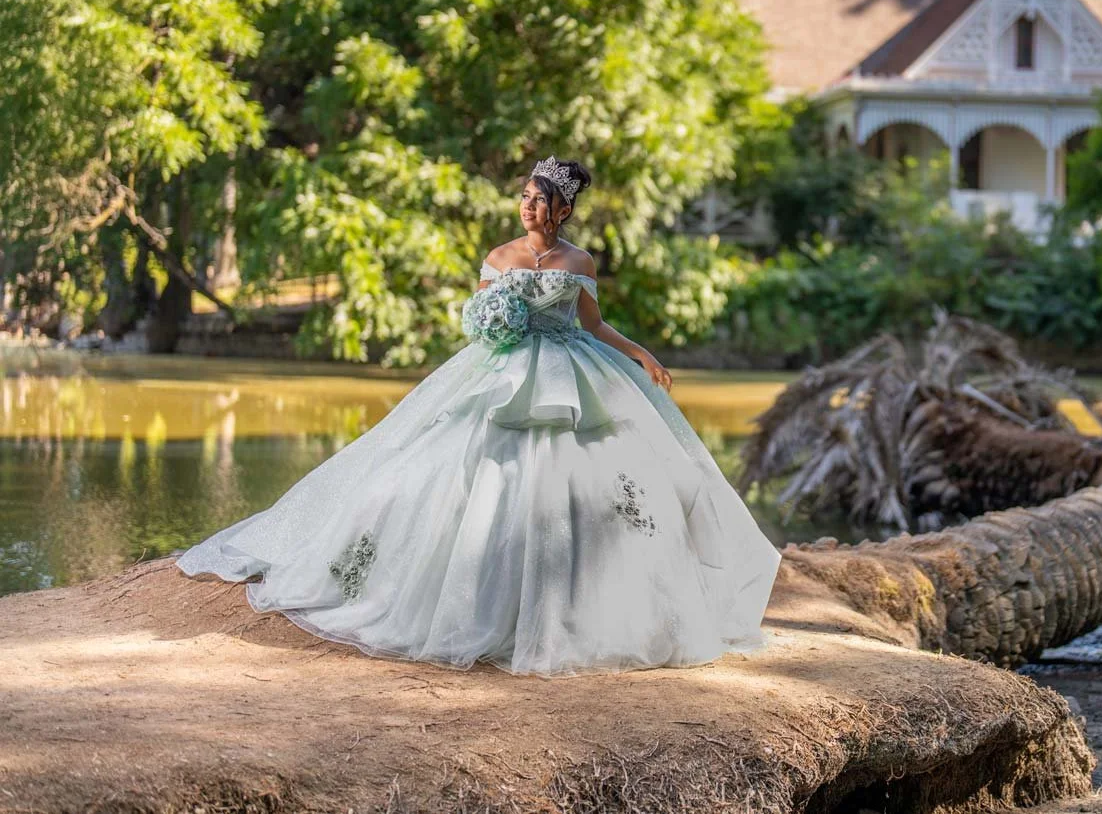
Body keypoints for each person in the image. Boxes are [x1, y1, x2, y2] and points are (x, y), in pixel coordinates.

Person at [176, 156, 781, 677]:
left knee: (609, 483)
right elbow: (480, 321)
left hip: (573, 375)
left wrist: (642, 355)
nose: (527, 207)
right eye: (523, 197)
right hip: (504, 375)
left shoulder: (580, 264)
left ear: (562, 210)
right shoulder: (498, 256)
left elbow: (591, 324)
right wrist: (493, 328)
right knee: (448, 473)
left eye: (538, 200)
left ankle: (595, 606)